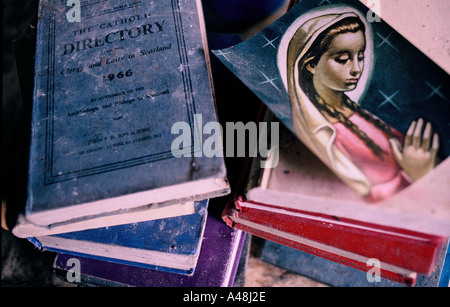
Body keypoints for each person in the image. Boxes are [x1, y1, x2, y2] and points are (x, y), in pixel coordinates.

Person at [277, 7, 439, 202]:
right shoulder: (323, 135)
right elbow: (371, 197)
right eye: (343, 59)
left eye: (360, 57)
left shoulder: (357, 113)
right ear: (310, 65)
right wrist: (417, 174)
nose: (356, 69)